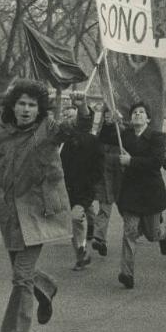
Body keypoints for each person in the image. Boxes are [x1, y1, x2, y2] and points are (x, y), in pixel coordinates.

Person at [0, 80, 91, 332]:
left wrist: (83, 107)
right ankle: (47, 287)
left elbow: (78, 127)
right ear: (12, 106)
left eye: (32, 104)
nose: (26, 109)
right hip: (10, 214)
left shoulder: (48, 130)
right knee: (22, 273)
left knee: (21, 277)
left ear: (39, 109)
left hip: (39, 212)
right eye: (21, 103)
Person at [116, 101, 166, 289]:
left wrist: (131, 161)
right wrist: (111, 121)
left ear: (148, 118)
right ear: (130, 118)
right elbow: (105, 138)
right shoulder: (124, 136)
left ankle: (163, 234)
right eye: (134, 113)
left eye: (141, 112)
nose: (137, 115)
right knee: (129, 232)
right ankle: (127, 273)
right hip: (131, 193)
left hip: (150, 193)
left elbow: (156, 162)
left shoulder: (157, 137)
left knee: (151, 234)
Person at [60, 105, 104, 271]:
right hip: (64, 187)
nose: (70, 120)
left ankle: (82, 248)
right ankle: (80, 254)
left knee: (76, 216)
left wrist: (89, 183)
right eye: (67, 116)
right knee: (73, 221)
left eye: (73, 117)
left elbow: (99, 168)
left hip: (83, 188)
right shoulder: (64, 138)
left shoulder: (92, 141)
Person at [91, 107, 123, 257]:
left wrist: (120, 123)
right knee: (105, 206)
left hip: (121, 173)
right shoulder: (100, 131)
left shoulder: (122, 130)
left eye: (111, 114)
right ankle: (100, 237)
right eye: (106, 114)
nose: (109, 117)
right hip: (105, 173)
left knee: (129, 211)